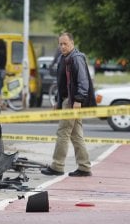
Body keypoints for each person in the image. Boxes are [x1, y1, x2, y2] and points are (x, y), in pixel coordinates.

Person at [41, 32, 96, 177]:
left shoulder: (75, 58)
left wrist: (78, 100)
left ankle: (57, 166)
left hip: (72, 102)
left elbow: (82, 82)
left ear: (72, 43)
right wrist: (58, 101)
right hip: (67, 101)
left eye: (65, 43)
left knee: (63, 133)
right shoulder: (64, 58)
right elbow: (63, 84)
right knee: (76, 135)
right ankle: (84, 167)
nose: (62, 46)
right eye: (60, 44)